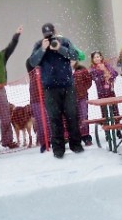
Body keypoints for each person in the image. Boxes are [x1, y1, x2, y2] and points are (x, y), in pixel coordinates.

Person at [28, 22, 84, 158]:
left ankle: (76, 145)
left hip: (67, 85)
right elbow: (32, 62)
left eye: (51, 34)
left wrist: (60, 48)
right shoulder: (39, 45)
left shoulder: (64, 41)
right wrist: (42, 49)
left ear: (55, 31)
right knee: (54, 118)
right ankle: (58, 149)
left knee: (72, 115)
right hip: (50, 88)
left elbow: (75, 56)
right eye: (47, 35)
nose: (50, 37)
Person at [89, 50, 120, 126]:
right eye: (94, 57)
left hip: (110, 91)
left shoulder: (106, 65)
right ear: (92, 59)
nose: (96, 59)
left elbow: (115, 73)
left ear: (101, 57)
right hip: (101, 92)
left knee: (115, 110)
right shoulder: (92, 68)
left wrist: (105, 70)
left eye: (98, 57)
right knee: (104, 112)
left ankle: (118, 128)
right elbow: (96, 79)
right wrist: (104, 75)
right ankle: (107, 130)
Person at [71, 58, 93, 146]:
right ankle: (76, 138)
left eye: (72, 60)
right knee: (73, 118)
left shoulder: (81, 69)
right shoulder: (64, 71)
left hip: (82, 97)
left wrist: (83, 89)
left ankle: (86, 136)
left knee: (83, 116)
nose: (70, 62)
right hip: (69, 98)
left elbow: (89, 81)